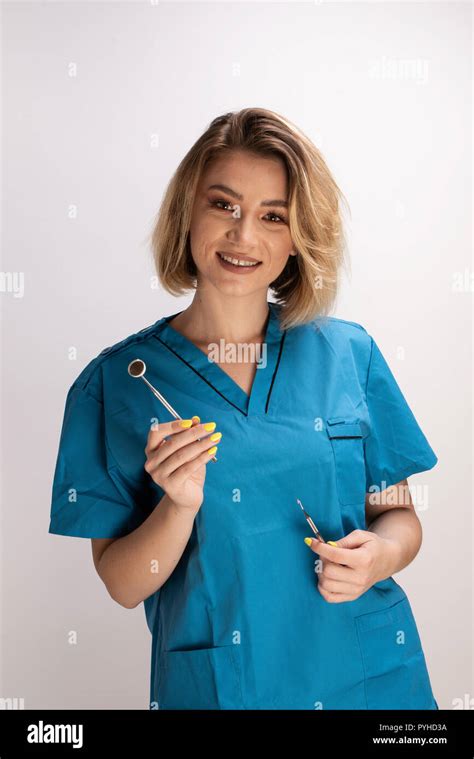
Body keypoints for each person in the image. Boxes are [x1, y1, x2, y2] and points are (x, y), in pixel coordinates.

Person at [49, 107, 439, 710]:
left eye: (273, 216)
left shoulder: (349, 354)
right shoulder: (116, 386)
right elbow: (123, 585)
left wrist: (380, 556)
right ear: (188, 212)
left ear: (297, 236)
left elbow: (399, 516)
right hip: (230, 689)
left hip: (372, 683)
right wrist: (177, 508)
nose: (244, 236)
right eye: (223, 205)